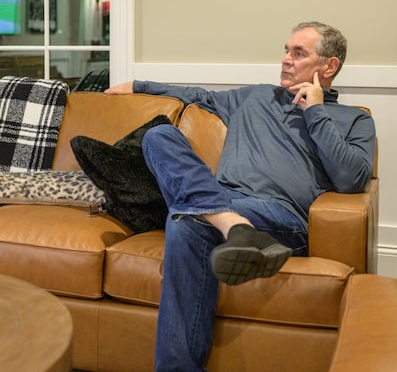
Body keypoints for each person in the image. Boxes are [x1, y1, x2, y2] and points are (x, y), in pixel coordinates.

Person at [104, 21, 376, 372]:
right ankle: (230, 223)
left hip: (280, 218)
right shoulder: (257, 97)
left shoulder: (353, 120)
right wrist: (139, 85)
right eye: (285, 50)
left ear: (329, 66)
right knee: (158, 136)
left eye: (298, 53)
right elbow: (196, 96)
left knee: (185, 219)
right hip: (225, 199)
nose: (285, 59)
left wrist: (315, 111)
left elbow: (351, 178)